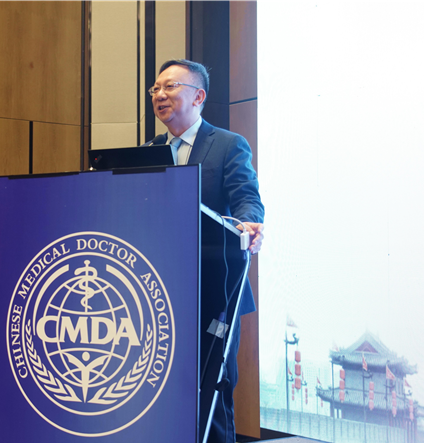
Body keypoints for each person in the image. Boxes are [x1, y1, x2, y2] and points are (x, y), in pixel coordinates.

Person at [147, 59, 265, 443]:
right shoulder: (149, 151)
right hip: (159, 291)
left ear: (198, 96)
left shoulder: (228, 145)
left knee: (211, 393)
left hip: (215, 291)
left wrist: (248, 223)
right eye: (155, 89)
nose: (159, 95)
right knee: (161, 392)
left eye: (170, 87)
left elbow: (247, 199)